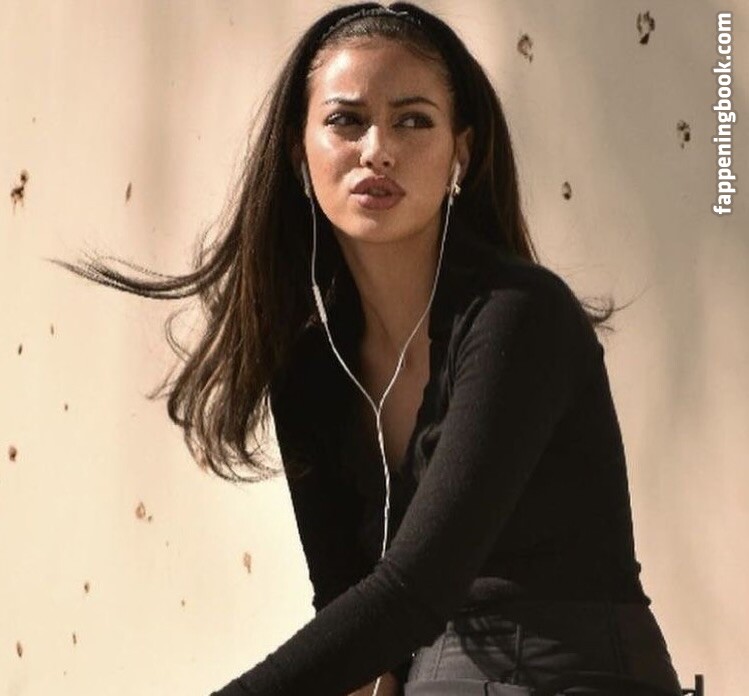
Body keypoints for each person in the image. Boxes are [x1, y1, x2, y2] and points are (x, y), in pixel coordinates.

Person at [50, 3, 683, 695]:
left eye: (413, 121)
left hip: (574, 673)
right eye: (346, 121)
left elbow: (416, 588)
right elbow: (348, 615)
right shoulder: (306, 364)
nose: (377, 149)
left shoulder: (519, 318)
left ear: (461, 152)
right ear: (300, 152)